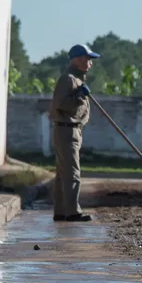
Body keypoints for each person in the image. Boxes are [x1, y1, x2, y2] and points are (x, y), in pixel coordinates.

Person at [49, 44, 99, 222]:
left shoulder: (76, 80)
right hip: (66, 130)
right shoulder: (69, 79)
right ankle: (72, 212)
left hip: (71, 130)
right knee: (72, 174)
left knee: (63, 174)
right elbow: (61, 104)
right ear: (78, 60)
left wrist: (80, 93)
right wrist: (79, 96)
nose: (90, 63)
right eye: (88, 59)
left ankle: (62, 211)